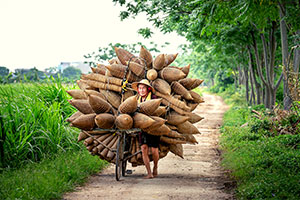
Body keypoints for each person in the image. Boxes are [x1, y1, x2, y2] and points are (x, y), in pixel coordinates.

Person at [132, 79, 160, 179]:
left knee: (154, 150)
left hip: (153, 127)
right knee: (144, 148)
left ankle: (155, 167)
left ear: (148, 89)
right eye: (140, 88)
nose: (141, 90)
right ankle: (149, 173)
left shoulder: (153, 98)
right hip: (141, 128)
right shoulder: (135, 99)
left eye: (143, 88)